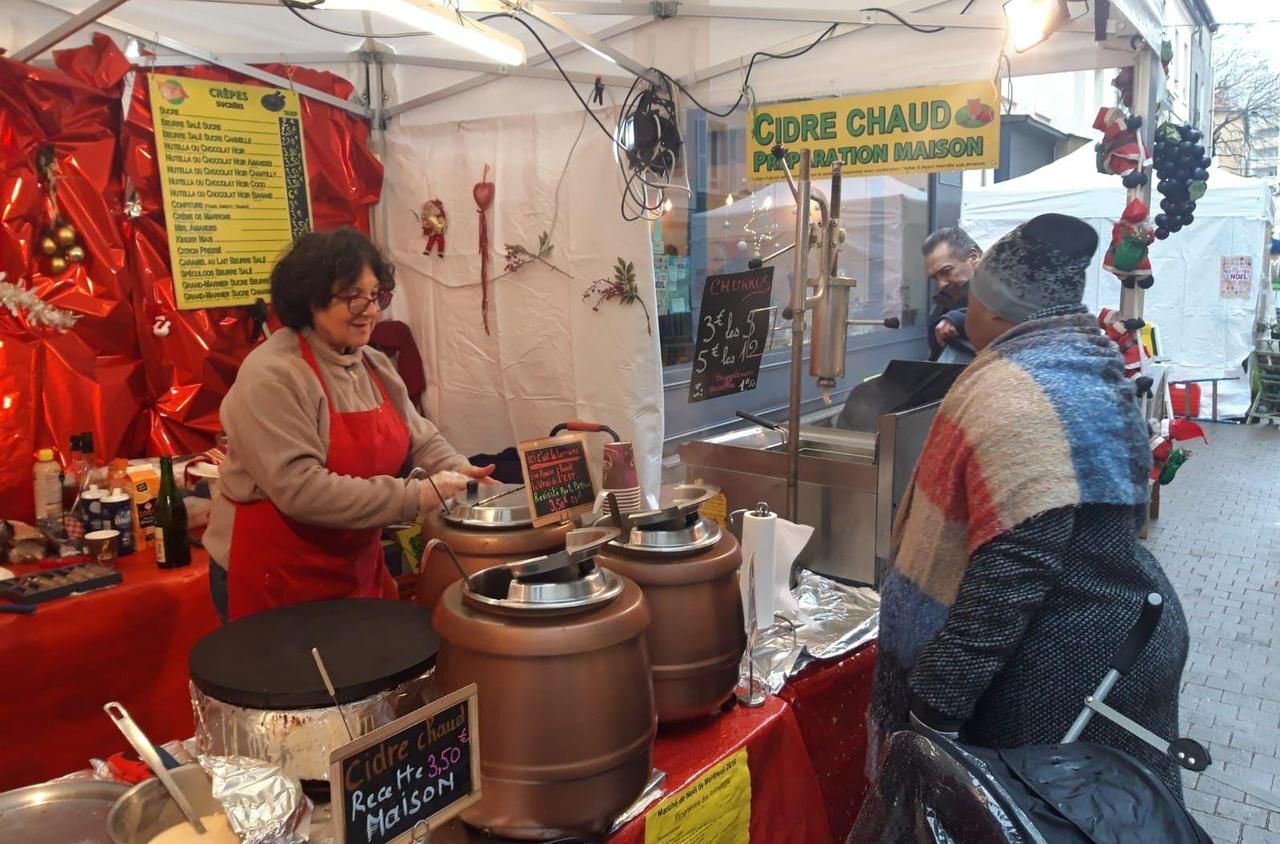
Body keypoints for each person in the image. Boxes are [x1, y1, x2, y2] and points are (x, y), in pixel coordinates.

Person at [869, 213, 1190, 796]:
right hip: (1112, 630)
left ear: (993, 307)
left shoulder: (1021, 393)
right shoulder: (1079, 356)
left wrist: (933, 707)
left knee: (1058, 820)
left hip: (1066, 667)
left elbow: (1012, 575)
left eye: (972, 297)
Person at [205, 227, 494, 622]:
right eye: (352, 297)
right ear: (310, 299)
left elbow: (420, 440)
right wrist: (419, 495)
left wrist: (456, 470)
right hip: (277, 576)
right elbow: (302, 490)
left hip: (352, 568)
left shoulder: (372, 365)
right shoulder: (273, 374)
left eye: (375, 295)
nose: (371, 310)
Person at [922, 227, 981, 363]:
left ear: (973, 257)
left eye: (946, 271)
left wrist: (960, 318)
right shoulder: (939, 311)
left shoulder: (1010, 288)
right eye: (935, 278)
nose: (941, 284)